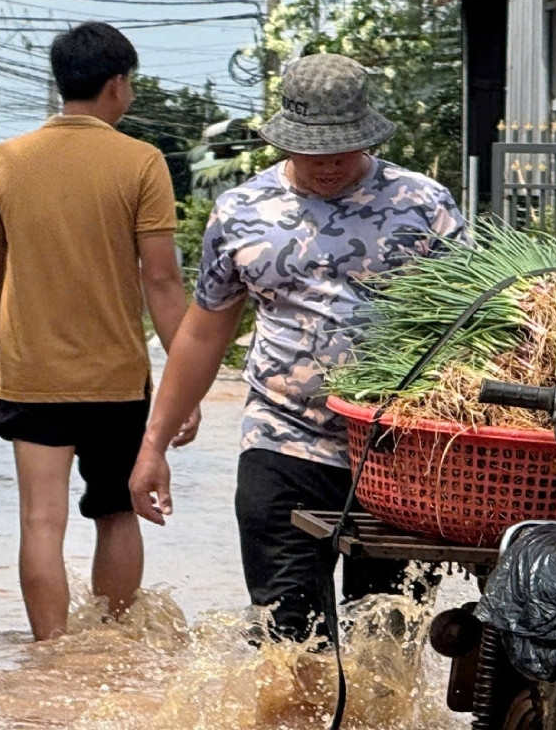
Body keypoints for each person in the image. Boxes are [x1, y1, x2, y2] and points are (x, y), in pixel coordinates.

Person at [129, 53, 466, 646]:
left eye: (344, 148)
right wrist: (153, 445)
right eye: (315, 150)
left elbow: (473, 330)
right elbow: (206, 331)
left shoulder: (425, 206)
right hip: (281, 442)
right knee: (286, 643)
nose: (330, 163)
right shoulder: (241, 212)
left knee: (385, 645)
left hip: (401, 453)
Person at [0, 21, 198, 641]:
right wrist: (186, 380)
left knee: (40, 523)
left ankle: (49, 659)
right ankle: (115, 647)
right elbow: (162, 284)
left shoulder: (4, 161)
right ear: (117, 85)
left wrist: (0, 345)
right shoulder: (142, 162)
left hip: (31, 374)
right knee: (117, 513)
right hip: (116, 378)